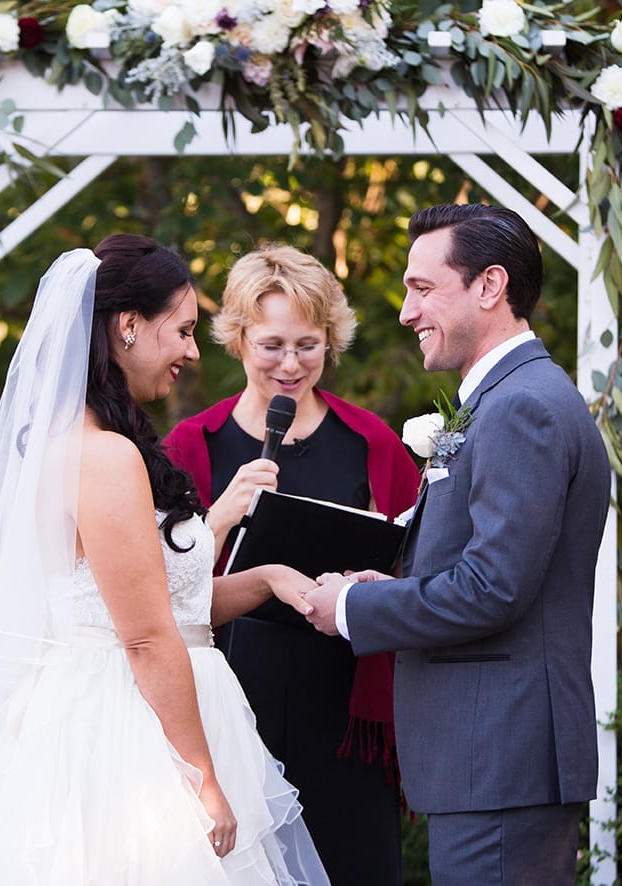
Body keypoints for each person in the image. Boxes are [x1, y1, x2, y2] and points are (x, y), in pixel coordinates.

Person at [0, 234, 330, 885]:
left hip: (154, 706)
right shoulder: (102, 455)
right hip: (131, 734)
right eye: (184, 330)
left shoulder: (101, 443)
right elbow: (142, 635)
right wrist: (200, 777)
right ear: (129, 326)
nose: (194, 351)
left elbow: (168, 607)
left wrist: (266, 580)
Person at [303, 204, 612, 885]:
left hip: (499, 757)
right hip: (489, 759)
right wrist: (392, 587)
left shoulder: (520, 407)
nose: (407, 313)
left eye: (421, 288)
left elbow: (493, 589)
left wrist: (354, 611)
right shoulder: (503, 400)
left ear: (489, 286)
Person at [164, 244, 419, 886]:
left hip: (345, 711)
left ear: (330, 341)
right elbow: (158, 589)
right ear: (238, 337)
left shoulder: (372, 443)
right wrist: (221, 513)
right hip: (230, 702)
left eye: (308, 345)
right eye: (272, 344)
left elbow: (419, 571)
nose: (290, 364)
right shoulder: (192, 445)